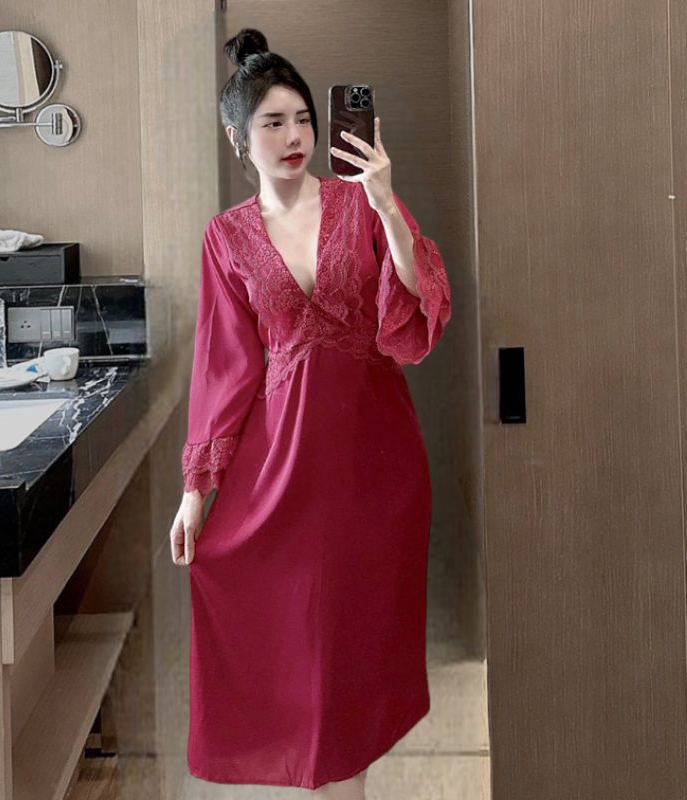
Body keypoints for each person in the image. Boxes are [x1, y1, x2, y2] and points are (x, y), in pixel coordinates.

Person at [169, 27, 452, 799]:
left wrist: (387, 204)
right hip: (280, 469)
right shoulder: (225, 237)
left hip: (372, 464)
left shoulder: (360, 202)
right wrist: (196, 491)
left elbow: (415, 307)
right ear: (239, 138)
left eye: (302, 119)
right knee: (299, 658)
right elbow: (225, 368)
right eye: (273, 123)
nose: (294, 136)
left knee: (352, 660)